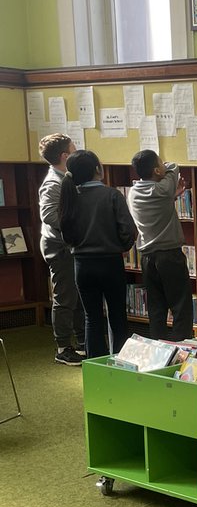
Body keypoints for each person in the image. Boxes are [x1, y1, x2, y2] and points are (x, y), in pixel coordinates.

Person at [58, 150, 137, 359]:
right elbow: (128, 230)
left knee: (91, 317)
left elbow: (66, 234)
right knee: (117, 316)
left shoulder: (70, 197)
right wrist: (121, 246)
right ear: (97, 169)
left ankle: (95, 365)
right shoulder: (112, 195)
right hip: (110, 262)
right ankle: (121, 364)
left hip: (82, 265)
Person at [127, 150, 194, 342]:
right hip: (170, 255)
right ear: (156, 170)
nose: (164, 165)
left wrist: (171, 196)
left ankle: (158, 347)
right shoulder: (162, 189)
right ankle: (182, 346)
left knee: (156, 307)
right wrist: (167, 181)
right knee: (181, 306)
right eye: (160, 163)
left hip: (148, 257)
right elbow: (173, 166)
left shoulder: (133, 193)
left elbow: (158, 201)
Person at [37, 132, 86, 366]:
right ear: (65, 155)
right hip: (59, 246)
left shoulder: (68, 177)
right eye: (74, 148)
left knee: (77, 296)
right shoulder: (53, 183)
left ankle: (83, 342)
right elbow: (48, 215)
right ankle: (63, 348)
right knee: (65, 296)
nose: (77, 151)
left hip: (70, 244)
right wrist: (75, 224)